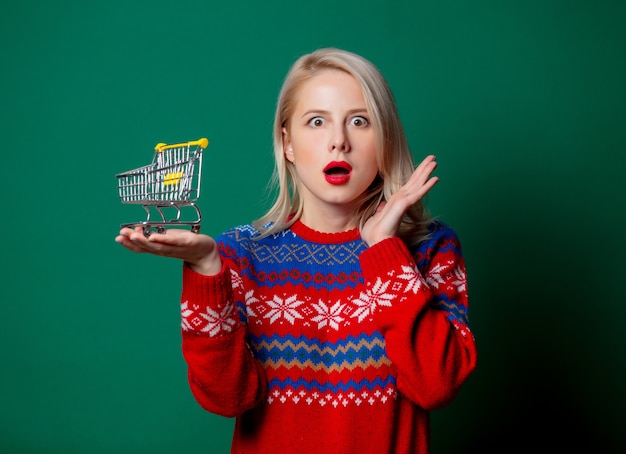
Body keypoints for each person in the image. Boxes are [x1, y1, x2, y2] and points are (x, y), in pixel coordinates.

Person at [115, 47, 477, 454]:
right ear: (287, 143)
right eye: (317, 122)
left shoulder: (430, 248)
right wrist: (206, 269)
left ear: (385, 139)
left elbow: (436, 385)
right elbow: (226, 399)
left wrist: (385, 250)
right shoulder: (240, 253)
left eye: (360, 121)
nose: (339, 142)